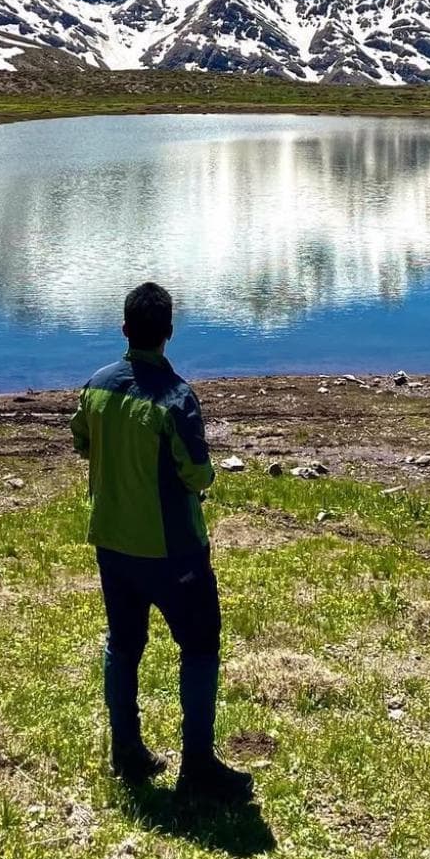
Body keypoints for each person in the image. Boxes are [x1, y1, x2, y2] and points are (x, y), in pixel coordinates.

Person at [70, 281, 252, 800]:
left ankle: (125, 747)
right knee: (199, 646)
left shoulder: (97, 386)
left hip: (112, 543)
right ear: (169, 333)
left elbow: (80, 439)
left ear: (124, 329)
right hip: (173, 551)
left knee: (124, 645)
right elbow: (197, 475)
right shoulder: (176, 398)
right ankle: (197, 765)